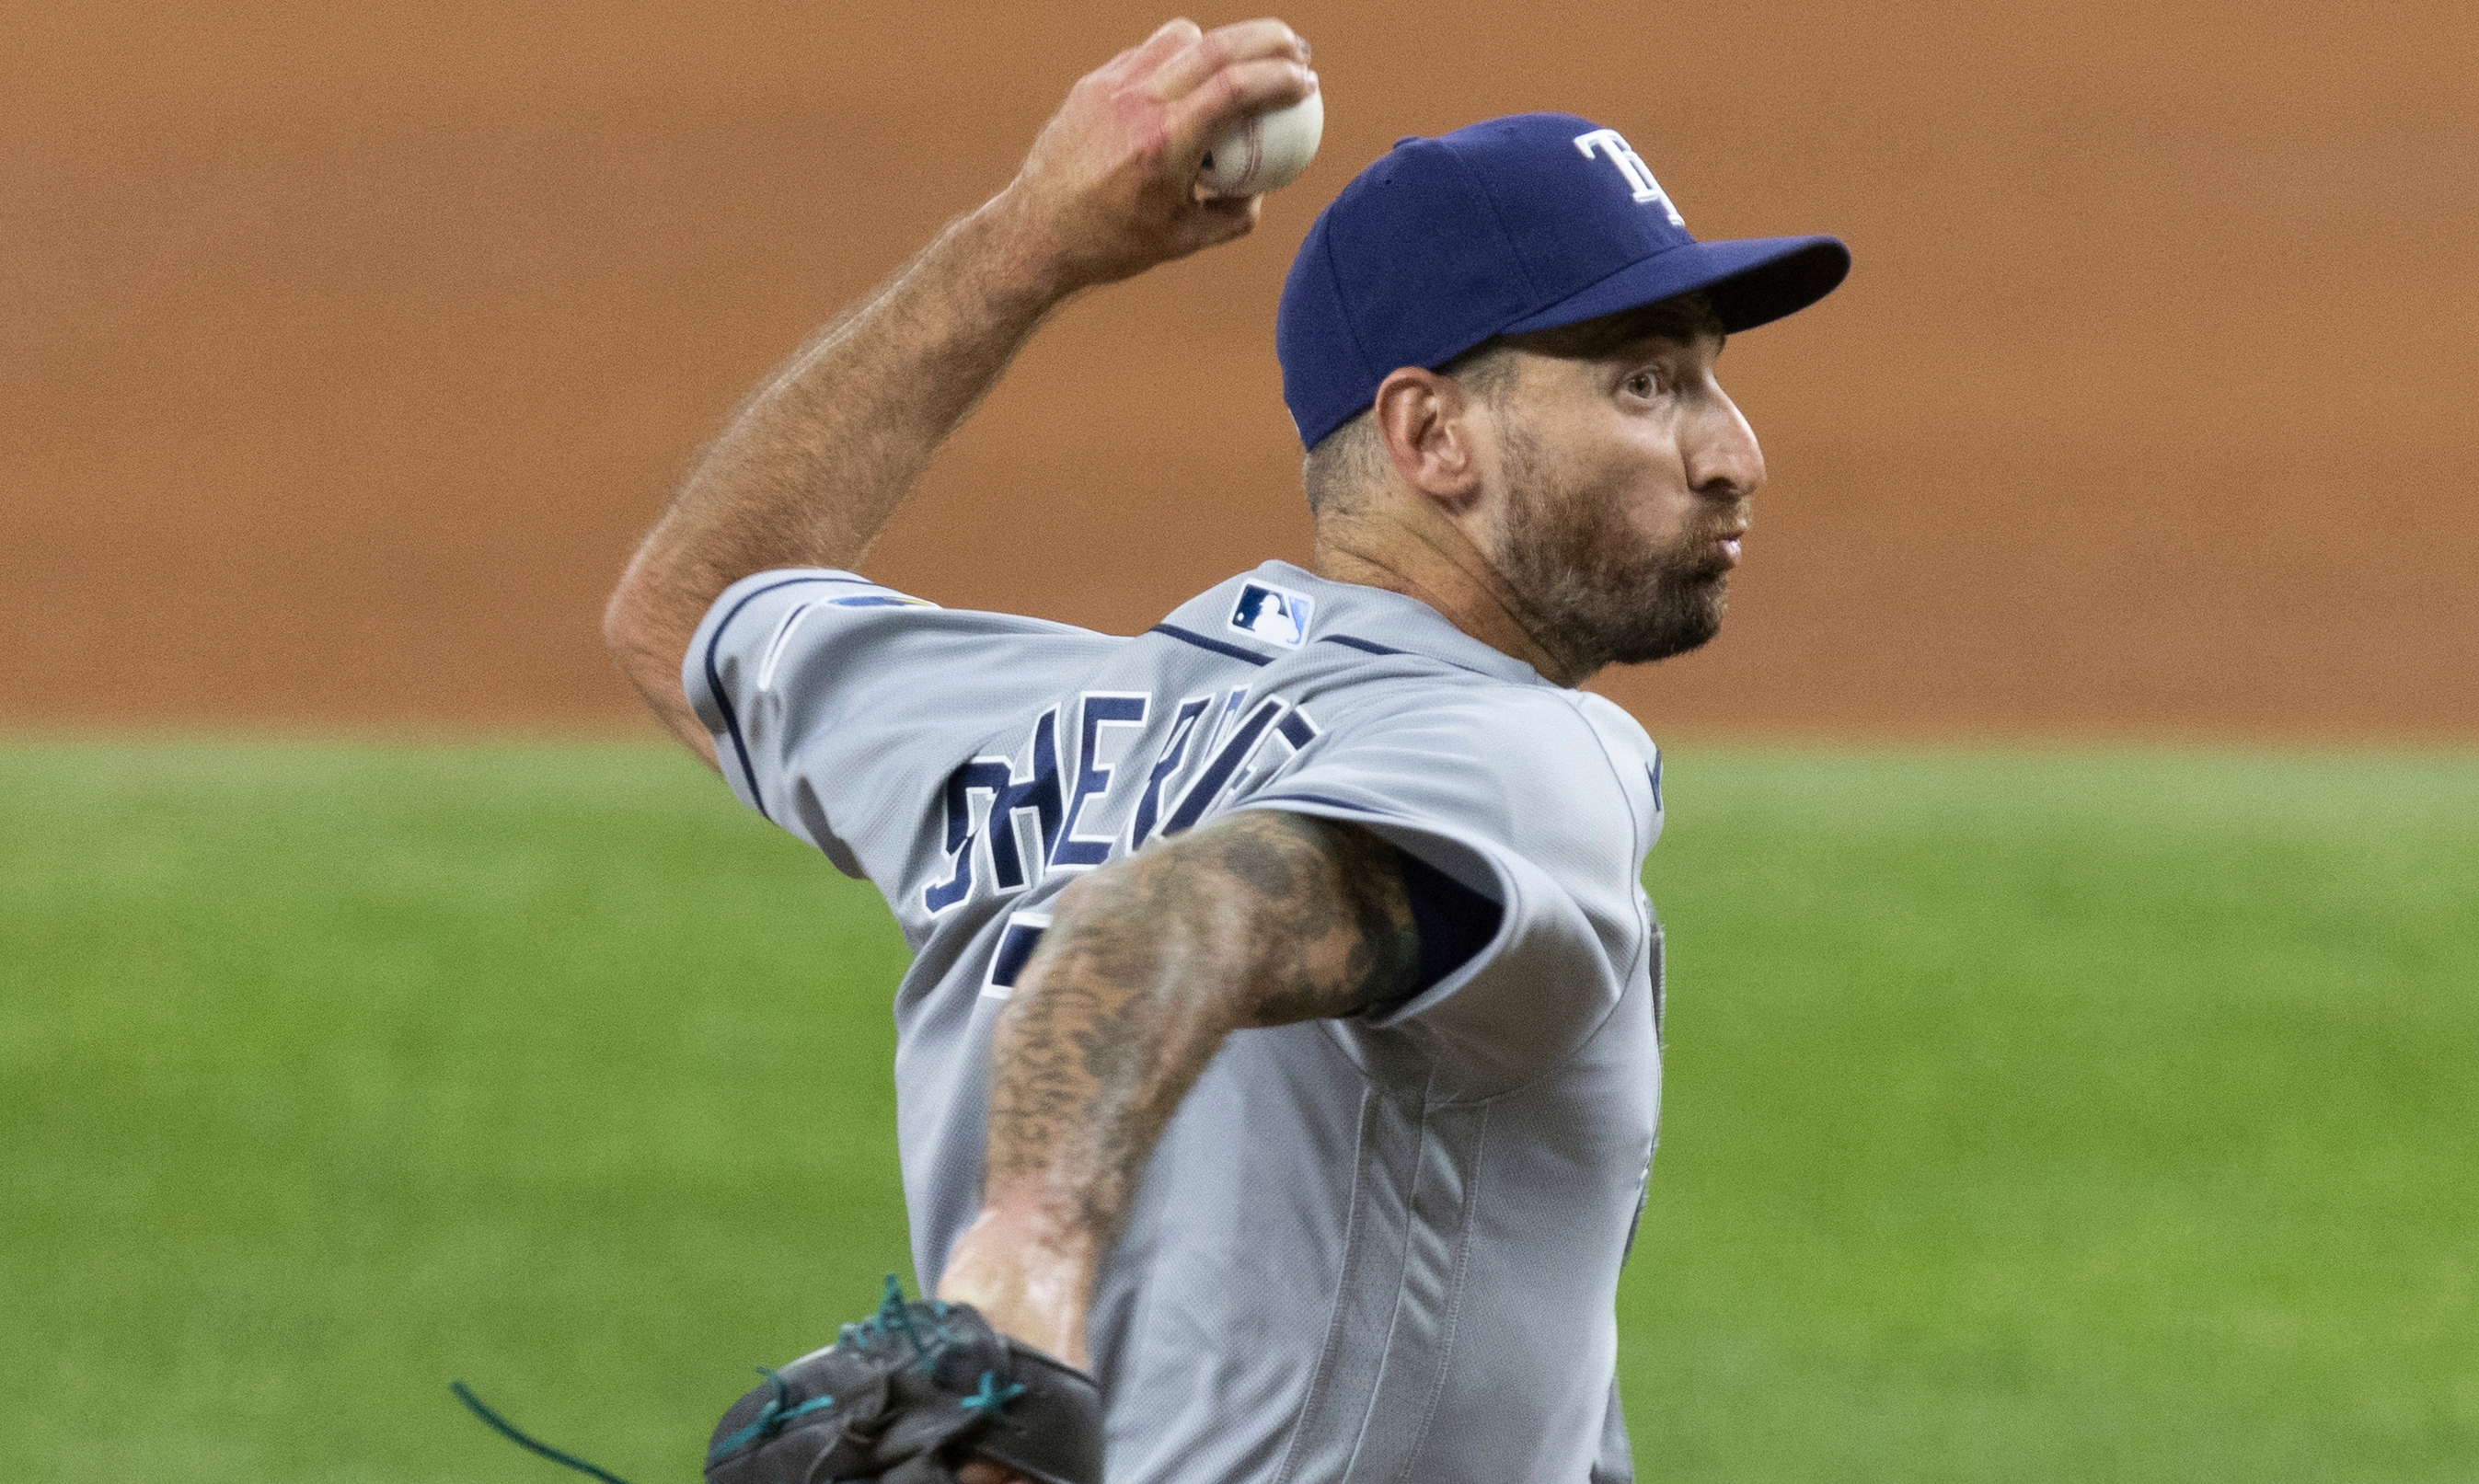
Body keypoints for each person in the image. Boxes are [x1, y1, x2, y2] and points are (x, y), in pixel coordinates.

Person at [604, 17, 1847, 1482]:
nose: (1731, 449)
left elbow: (689, 605)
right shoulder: (1527, 756)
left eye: (1707, 376)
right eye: (1645, 381)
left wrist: (1025, 246)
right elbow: (1171, 916)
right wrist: (1024, 1266)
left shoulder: (1031, 719)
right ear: (1432, 436)